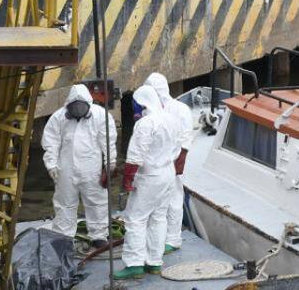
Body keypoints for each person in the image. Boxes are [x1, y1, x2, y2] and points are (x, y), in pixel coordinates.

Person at [113, 85, 183, 279]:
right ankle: (154, 262)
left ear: (142, 103)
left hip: (150, 176)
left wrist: (127, 180)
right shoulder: (171, 119)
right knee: (159, 217)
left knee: (135, 218)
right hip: (168, 172)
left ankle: (134, 264)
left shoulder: (146, 124)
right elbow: (177, 148)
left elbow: (135, 156)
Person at [41, 84, 116, 248]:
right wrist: (51, 164)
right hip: (65, 169)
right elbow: (51, 142)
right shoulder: (58, 117)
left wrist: (110, 164)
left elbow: (108, 142)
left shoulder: (100, 116)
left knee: (97, 202)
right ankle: (64, 237)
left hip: (92, 168)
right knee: (65, 204)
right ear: (68, 106)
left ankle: (99, 235)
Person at [144, 72, 195, 254]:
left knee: (173, 198)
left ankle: (173, 238)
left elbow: (185, 139)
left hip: (172, 161)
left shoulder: (180, 109)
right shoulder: (149, 110)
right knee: (156, 201)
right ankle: (157, 236)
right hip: (156, 163)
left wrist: (179, 163)